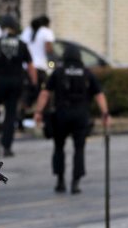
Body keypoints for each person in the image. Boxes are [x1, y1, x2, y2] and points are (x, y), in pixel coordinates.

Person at [32, 44, 109, 193]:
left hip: (61, 115)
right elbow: (99, 95)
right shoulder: (86, 73)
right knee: (79, 149)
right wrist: (105, 114)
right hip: (81, 115)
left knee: (59, 147)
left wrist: (38, 112)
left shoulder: (58, 72)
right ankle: (75, 182)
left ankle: (60, 181)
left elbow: (45, 93)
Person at [0, 15, 37, 157]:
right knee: (11, 114)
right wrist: (34, 82)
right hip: (15, 83)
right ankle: (7, 147)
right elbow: (30, 66)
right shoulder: (21, 44)